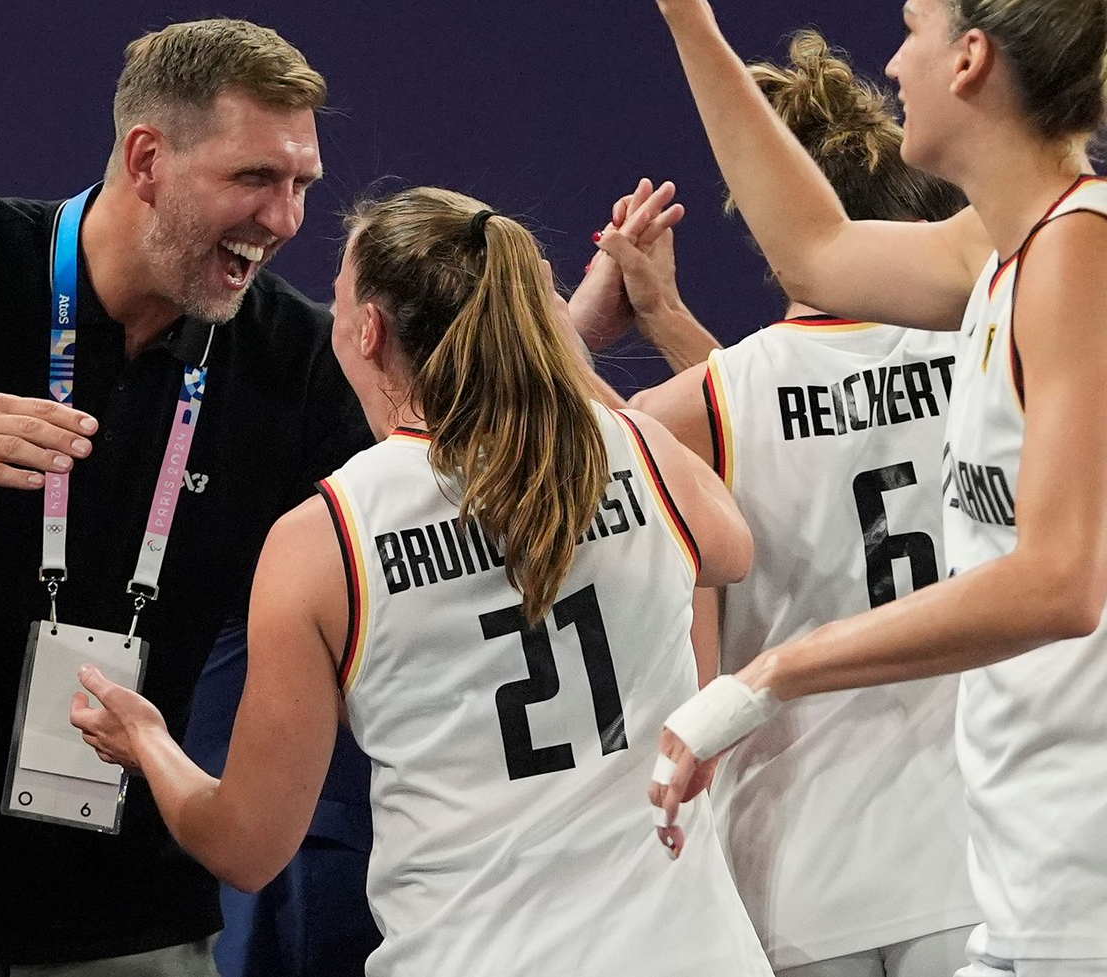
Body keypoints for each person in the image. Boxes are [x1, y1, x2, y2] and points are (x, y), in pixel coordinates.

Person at [71, 185, 776, 977]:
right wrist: (561, 352)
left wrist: (150, 744)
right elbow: (730, 546)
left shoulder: (325, 539)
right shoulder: (637, 450)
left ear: (368, 330)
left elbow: (247, 846)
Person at [644, 0, 1107, 976]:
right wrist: (685, 8)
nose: (889, 59)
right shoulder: (1008, 245)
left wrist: (771, 670)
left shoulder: (1080, 251)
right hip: (1024, 878)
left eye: (909, 27)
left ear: (970, 57)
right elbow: (818, 250)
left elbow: (1059, 583)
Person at [0, 18, 378, 974]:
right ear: (148, 158)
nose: (285, 220)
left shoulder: (294, 362)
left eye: (301, 186)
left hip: (134, 920)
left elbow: (439, 495)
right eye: (255, 178)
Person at [576, 31, 979, 976]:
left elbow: (579, 442)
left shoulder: (721, 396)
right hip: (970, 849)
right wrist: (679, 328)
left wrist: (584, 325)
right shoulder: (989, 349)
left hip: (793, 861)